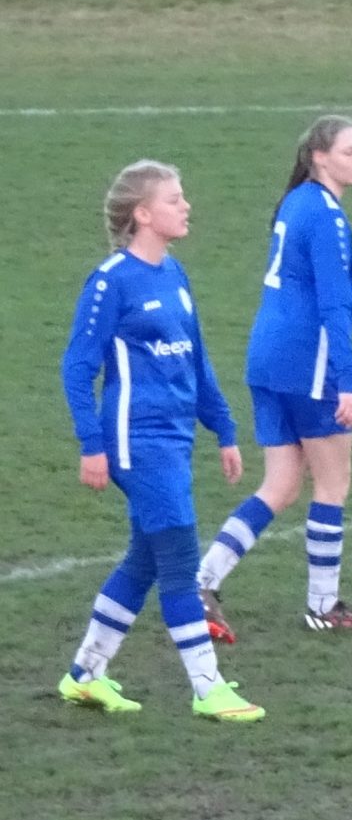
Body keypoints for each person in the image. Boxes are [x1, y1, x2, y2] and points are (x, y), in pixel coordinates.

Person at [55, 161, 264, 723]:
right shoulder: (111, 281)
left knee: (144, 560)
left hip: (172, 440)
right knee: (179, 560)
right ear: (142, 214)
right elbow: (77, 368)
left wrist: (222, 428)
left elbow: (195, 359)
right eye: (174, 199)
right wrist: (90, 444)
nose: (186, 205)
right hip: (133, 441)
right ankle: (207, 687)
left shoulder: (174, 274)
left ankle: (84, 676)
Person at [196, 114, 352, 638]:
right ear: (320, 156)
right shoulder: (324, 214)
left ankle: (202, 580)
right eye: (350, 150)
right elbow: (335, 303)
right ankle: (322, 606)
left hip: (267, 358)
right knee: (333, 482)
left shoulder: (297, 201)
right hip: (309, 364)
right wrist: (346, 380)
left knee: (279, 484)